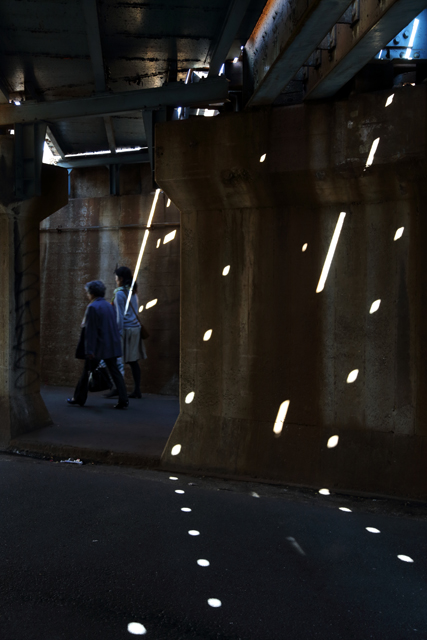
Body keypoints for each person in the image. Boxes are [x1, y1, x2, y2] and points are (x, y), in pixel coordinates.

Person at [67, 280, 128, 409]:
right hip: (111, 344)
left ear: (92, 293)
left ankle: (78, 398)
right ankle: (123, 399)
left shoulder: (92, 307)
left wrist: (89, 350)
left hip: (99, 347)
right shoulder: (109, 306)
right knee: (115, 371)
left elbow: (91, 331)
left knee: (86, 373)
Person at [108, 266, 146, 399]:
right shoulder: (133, 291)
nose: (115, 280)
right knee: (133, 361)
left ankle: (118, 388)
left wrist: (117, 334)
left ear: (121, 278)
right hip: (135, 329)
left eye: (116, 277)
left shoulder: (119, 293)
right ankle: (137, 390)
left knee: (115, 360)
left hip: (126, 330)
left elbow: (119, 316)